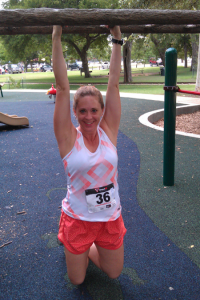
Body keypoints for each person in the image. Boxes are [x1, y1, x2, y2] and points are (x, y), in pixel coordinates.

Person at [52, 24, 126, 285]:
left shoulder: (108, 131)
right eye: (83, 111)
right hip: (79, 219)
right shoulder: (68, 139)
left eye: (94, 110)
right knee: (77, 280)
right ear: (75, 113)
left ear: (101, 111)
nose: (89, 116)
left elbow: (114, 82)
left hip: (109, 218)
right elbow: (62, 87)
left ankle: (82, 249)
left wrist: (116, 39)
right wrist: (56, 37)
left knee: (114, 273)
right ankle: (72, 243)